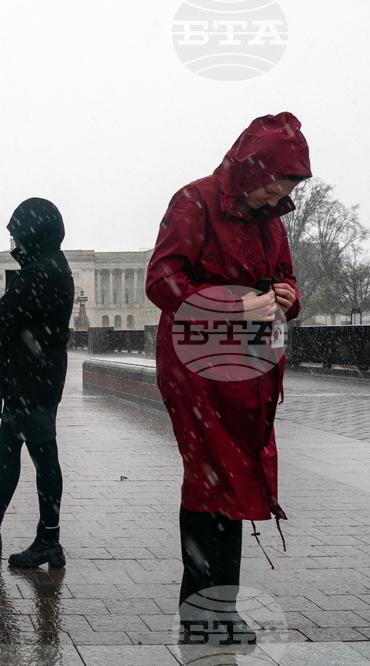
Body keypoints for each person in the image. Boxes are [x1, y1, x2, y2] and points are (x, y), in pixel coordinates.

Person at [145, 113, 310, 644]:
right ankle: (201, 610)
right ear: (249, 169)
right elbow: (163, 279)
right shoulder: (194, 202)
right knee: (208, 476)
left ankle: (222, 608)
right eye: (267, 188)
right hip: (199, 364)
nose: (271, 200)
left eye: (281, 193)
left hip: (250, 367)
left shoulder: (271, 220)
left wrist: (288, 296)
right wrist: (238, 307)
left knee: (236, 481)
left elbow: (283, 277)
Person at [0, 198, 74, 571]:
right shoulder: (50, 266)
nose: (13, 243)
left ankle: (49, 540)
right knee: (9, 451)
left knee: (43, 459)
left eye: (16, 234)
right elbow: (16, 314)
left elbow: (0, 323)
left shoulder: (39, 272)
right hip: (34, 377)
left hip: (32, 379)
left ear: (31, 233)